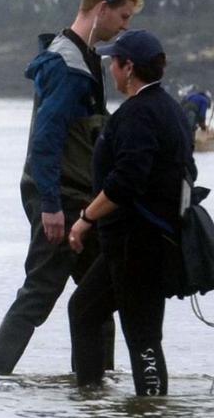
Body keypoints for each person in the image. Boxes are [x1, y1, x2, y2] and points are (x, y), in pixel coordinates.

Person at [0, 0, 143, 375]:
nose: (126, 27)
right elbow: (46, 140)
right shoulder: (69, 67)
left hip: (82, 199)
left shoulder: (83, 57)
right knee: (38, 294)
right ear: (101, 8)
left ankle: (95, 386)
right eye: (123, 17)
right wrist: (50, 206)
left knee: (97, 297)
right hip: (60, 199)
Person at [67, 30, 195, 395]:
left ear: (129, 67)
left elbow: (127, 181)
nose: (109, 69)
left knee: (142, 336)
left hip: (139, 243)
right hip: (133, 242)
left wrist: (86, 218)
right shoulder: (169, 109)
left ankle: (151, 413)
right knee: (84, 310)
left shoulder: (139, 114)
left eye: (113, 62)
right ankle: (91, 401)